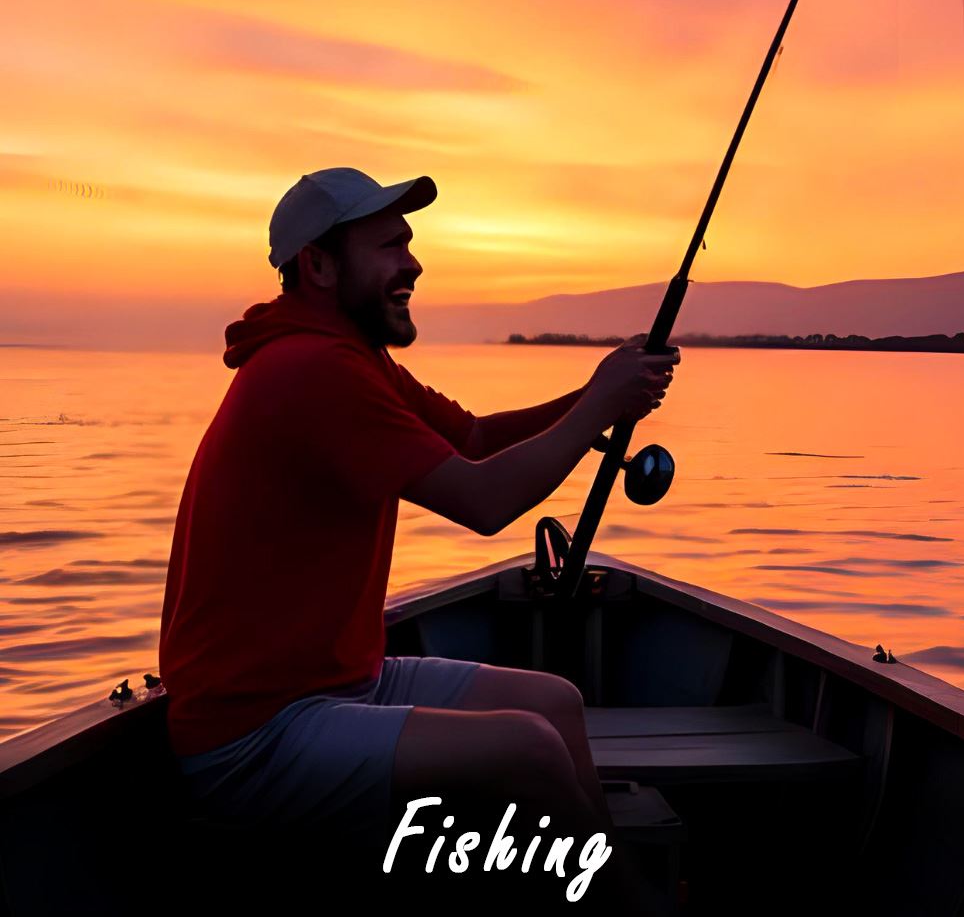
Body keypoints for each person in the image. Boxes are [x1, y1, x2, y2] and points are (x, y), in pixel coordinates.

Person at [158, 167, 679, 912]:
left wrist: (606, 390)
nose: (413, 262)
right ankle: (626, 908)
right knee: (528, 749)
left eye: (409, 243)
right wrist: (600, 405)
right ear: (319, 266)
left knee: (556, 705)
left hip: (338, 685)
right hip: (255, 734)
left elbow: (471, 440)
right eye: (389, 246)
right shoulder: (310, 371)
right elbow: (485, 498)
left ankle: (604, 900)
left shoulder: (352, 360)